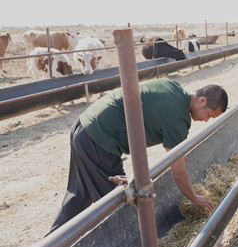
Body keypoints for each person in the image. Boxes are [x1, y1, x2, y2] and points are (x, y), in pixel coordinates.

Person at [47, 78, 228, 235]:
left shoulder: (173, 87)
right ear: (202, 101)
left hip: (84, 126)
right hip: (100, 139)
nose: (205, 120)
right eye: (209, 115)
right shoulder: (179, 119)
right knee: (118, 205)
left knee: (80, 194)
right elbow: (178, 172)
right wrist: (195, 198)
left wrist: (178, 156)